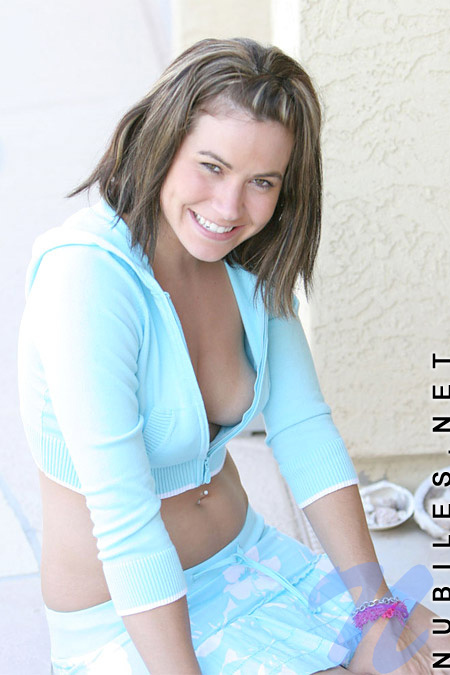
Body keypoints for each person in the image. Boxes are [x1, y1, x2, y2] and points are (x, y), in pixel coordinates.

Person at [18, 37, 447, 674]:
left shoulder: (247, 260)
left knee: (427, 644)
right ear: (161, 142)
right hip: (126, 620)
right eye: (212, 167)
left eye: (261, 182)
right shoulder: (86, 279)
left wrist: (376, 609)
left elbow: (305, 432)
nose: (229, 208)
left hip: (256, 566)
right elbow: (125, 521)